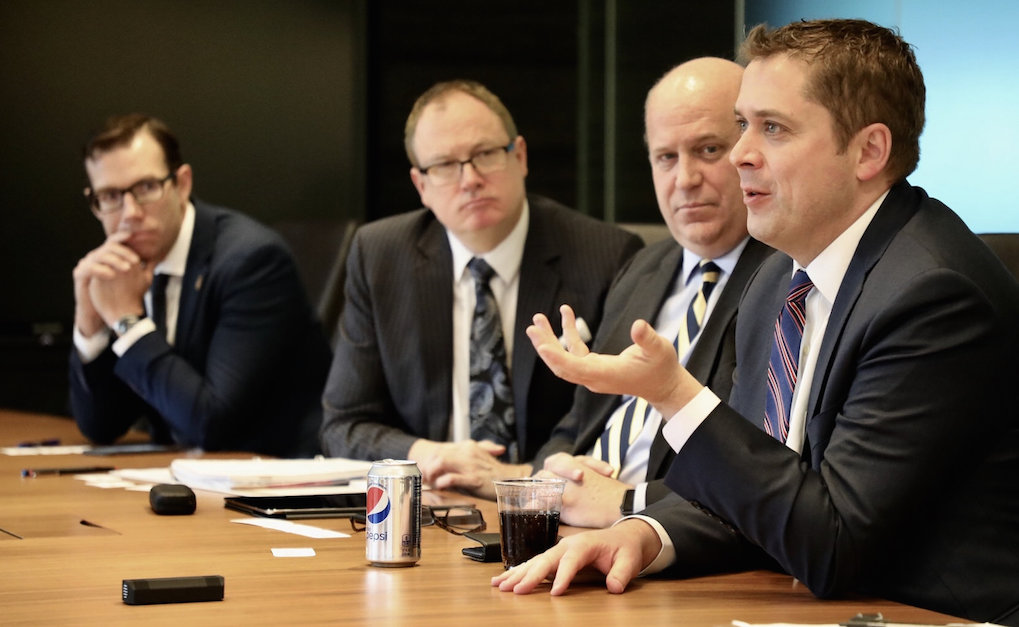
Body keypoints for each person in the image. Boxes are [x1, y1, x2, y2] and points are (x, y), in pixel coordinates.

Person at [493, 19, 1019, 626]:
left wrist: (675, 395)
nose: (742, 152)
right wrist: (644, 536)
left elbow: (832, 542)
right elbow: (761, 489)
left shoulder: (932, 296)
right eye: (744, 125)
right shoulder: (777, 281)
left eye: (773, 128)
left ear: (869, 151)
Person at [320, 80, 643, 490]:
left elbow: (609, 414)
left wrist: (517, 479)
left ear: (520, 156)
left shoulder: (604, 256)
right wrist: (426, 455)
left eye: (485, 155)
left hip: (549, 508)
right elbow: (343, 423)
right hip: (431, 503)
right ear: (422, 186)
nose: (469, 179)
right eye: (444, 166)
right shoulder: (380, 256)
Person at [528, 58, 773, 527]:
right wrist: (556, 471)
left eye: (708, 149)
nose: (684, 179)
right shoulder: (642, 267)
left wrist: (629, 503)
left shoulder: (785, 280)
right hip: (569, 528)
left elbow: (760, 466)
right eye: (666, 157)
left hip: (675, 548)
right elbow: (578, 423)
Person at [70, 114, 331, 457]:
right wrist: (91, 327)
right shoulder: (126, 271)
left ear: (182, 184)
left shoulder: (251, 261)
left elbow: (212, 424)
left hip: (276, 482)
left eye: (146, 188)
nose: (129, 213)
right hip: (189, 477)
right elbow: (101, 426)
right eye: (110, 196)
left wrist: (127, 322)